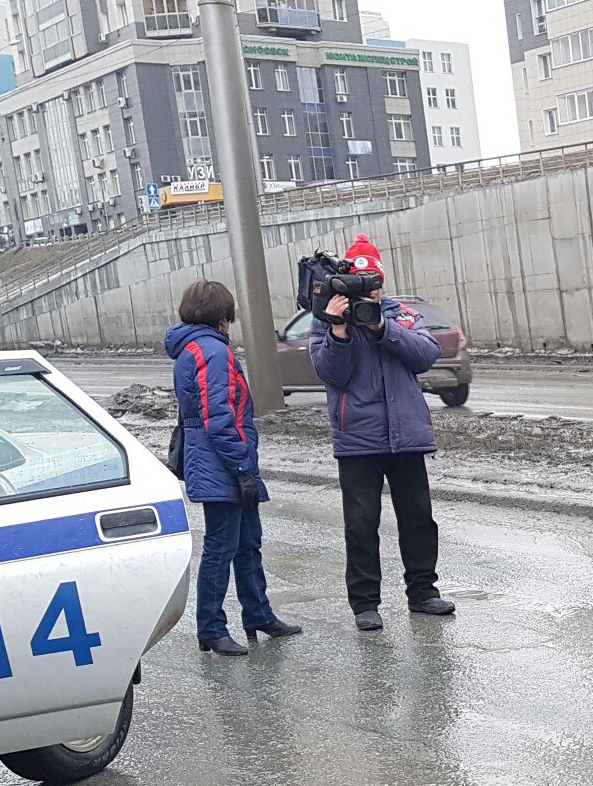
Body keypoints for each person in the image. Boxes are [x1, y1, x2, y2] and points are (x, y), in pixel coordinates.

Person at [308, 231, 455, 632]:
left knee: (418, 517)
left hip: (406, 434)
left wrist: (381, 328)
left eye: (372, 284)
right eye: (360, 285)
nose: (367, 294)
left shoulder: (400, 314)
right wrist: (339, 332)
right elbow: (330, 374)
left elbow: (426, 355)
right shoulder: (326, 319)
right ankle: (365, 603)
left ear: (381, 282)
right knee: (360, 523)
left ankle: (423, 592)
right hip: (357, 438)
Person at [165, 280, 301, 658]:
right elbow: (218, 416)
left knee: (246, 543)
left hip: (214, 459)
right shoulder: (212, 352)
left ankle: (258, 614)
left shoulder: (190, 349)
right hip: (223, 462)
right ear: (223, 318)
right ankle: (211, 627)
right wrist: (242, 465)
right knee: (223, 548)